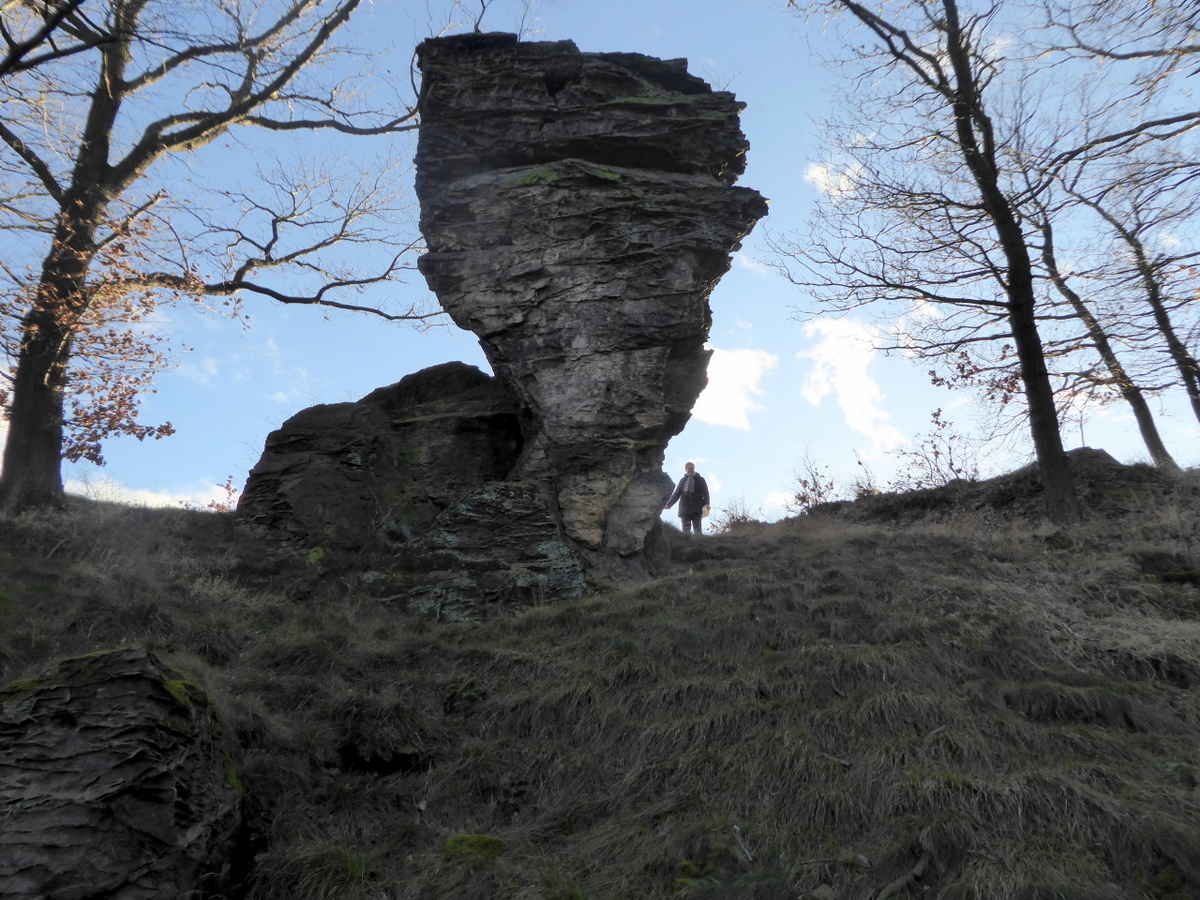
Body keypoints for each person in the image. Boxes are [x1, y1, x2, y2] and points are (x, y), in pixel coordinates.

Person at [664, 461, 710, 535]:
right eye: (689, 468)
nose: (690, 470)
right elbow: (677, 493)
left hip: (697, 506)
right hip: (685, 507)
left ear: (694, 468)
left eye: (692, 468)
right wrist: (668, 505)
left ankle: (699, 542)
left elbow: (706, 492)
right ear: (686, 469)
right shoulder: (683, 480)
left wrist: (707, 503)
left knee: (697, 527)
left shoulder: (700, 479)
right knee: (685, 529)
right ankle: (686, 543)